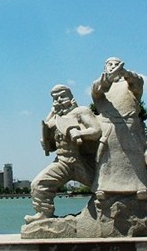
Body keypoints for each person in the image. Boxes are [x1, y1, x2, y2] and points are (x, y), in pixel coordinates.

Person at [25, 85, 101, 223]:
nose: (59, 100)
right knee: (38, 184)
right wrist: (46, 142)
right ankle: (44, 214)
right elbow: (51, 146)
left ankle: (109, 212)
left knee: (102, 187)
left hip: (80, 161)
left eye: (62, 96)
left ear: (71, 97)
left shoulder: (81, 111)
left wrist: (80, 133)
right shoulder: (55, 118)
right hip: (62, 162)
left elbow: (96, 131)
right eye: (55, 98)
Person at [91, 57, 147, 201]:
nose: (113, 66)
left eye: (116, 64)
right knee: (107, 160)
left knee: (134, 158)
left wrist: (125, 73)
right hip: (109, 128)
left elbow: (138, 82)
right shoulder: (100, 84)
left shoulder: (130, 85)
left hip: (130, 127)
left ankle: (140, 187)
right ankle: (102, 188)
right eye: (110, 64)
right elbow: (97, 90)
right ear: (105, 67)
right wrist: (108, 78)